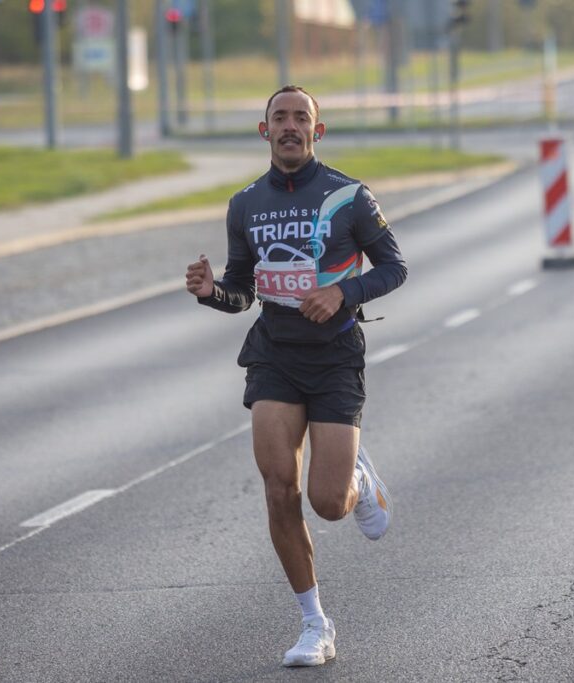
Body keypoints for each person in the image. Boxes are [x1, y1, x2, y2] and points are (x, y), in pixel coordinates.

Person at [185, 85, 407, 667]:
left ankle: (358, 476)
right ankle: (315, 624)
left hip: (334, 356)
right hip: (274, 355)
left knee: (328, 503)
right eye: (278, 118)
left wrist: (342, 292)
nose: (289, 126)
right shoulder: (246, 204)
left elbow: (394, 267)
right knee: (279, 486)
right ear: (264, 132)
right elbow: (242, 289)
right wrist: (213, 293)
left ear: (317, 130)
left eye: (299, 117)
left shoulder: (350, 196)